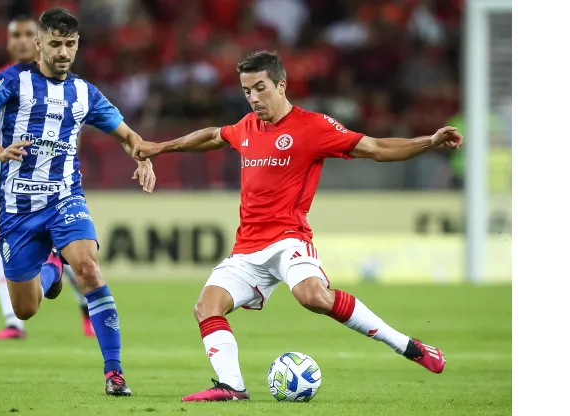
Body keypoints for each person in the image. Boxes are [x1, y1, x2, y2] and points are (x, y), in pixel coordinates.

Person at [133, 51, 461, 402]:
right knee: (206, 306)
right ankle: (232, 388)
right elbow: (214, 136)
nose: (254, 98)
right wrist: (160, 147)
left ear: (281, 85)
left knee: (312, 296)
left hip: (288, 238)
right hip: (247, 248)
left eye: (260, 88)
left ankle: (409, 347)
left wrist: (429, 141)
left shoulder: (314, 127)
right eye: (247, 91)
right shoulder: (247, 127)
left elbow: (377, 148)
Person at [0, 8, 155, 396]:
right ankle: (50, 265)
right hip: (16, 208)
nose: (63, 52)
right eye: (55, 44)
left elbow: (129, 135)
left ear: (77, 45)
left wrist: (142, 156)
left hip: (65, 197)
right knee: (25, 309)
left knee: (88, 269)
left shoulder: (85, 93)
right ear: (38, 44)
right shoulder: (10, 81)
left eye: (69, 44)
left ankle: (114, 373)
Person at [0, 16, 95, 341]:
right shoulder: (2, 81)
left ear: (38, 41)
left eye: (28, 34)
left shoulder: (64, 82)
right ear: (8, 42)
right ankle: (14, 321)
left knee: (71, 250)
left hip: (52, 183)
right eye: (14, 34)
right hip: (6, 182)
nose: (21, 40)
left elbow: (73, 133)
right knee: (3, 247)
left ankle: (83, 305)